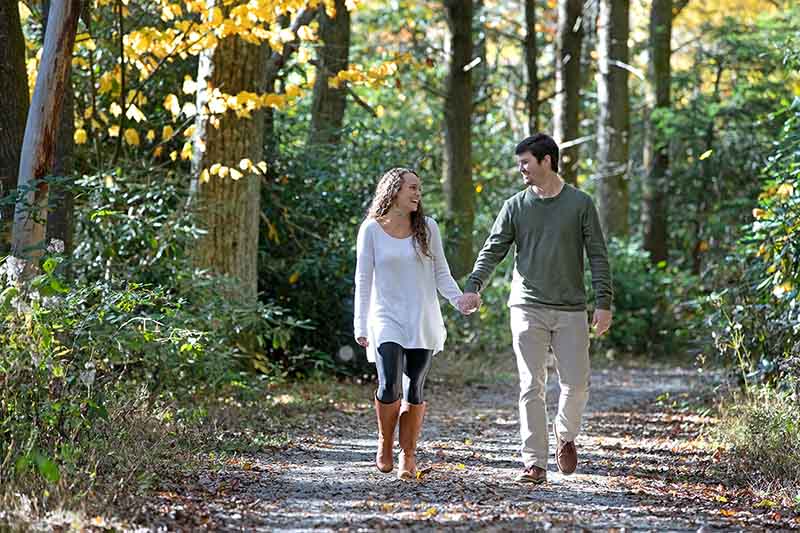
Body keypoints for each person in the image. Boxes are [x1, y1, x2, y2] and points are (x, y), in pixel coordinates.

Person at [457, 134, 613, 484]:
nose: (521, 169)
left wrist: (603, 302)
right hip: (526, 306)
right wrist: (474, 285)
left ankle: (565, 433)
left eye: (526, 162)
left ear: (546, 161)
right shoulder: (515, 206)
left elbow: (598, 256)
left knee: (576, 384)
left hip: (571, 308)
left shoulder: (580, 204)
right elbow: (493, 248)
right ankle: (534, 463)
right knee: (531, 384)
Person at [354, 167, 476, 480]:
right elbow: (363, 279)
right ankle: (385, 440)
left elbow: (441, 274)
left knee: (415, 388)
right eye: (412, 188)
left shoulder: (428, 228)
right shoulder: (371, 229)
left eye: (419, 189)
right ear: (393, 190)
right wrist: (360, 324)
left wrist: (458, 299)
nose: (417, 194)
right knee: (389, 383)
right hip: (385, 317)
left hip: (422, 317)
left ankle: (408, 454)